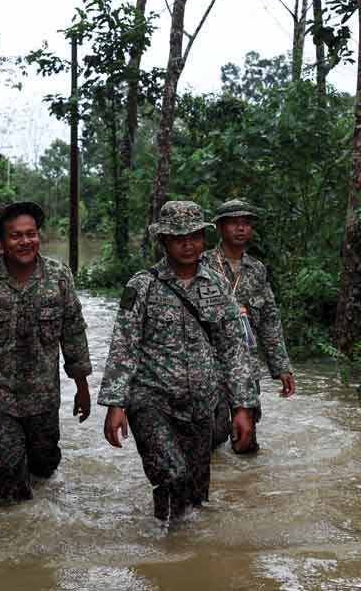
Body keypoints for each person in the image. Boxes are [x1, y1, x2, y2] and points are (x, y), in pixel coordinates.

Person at [97, 200, 259, 522]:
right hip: (151, 401)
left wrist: (242, 406)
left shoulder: (217, 284)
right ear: (164, 241)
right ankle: (165, 546)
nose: (188, 245)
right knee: (172, 476)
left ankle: (175, 543)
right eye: (178, 238)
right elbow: (124, 345)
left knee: (196, 500)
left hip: (201, 406)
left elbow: (233, 349)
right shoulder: (142, 286)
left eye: (195, 237)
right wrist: (115, 404)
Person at [0, 201, 92, 504]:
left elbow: (73, 333)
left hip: (44, 398)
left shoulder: (59, 277)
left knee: (44, 469)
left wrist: (82, 388)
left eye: (31, 234)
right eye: (16, 236)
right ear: (0, 242)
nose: (25, 242)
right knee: (10, 479)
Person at [203, 198, 295, 454]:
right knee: (211, 438)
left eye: (245, 223)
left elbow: (269, 320)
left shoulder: (256, 269)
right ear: (220, 227)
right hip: (208, 365)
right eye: (233, 223)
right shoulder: (201, 265)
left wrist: (281, 367)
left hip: (246, 365)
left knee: (246, 443)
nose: (241, 228)